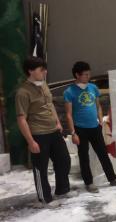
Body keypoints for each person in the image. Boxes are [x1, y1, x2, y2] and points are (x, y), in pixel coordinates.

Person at [16, 57, 74, 206]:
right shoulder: (23, 92)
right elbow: (21, 119)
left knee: (64, 160)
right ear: (30, 71)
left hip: (53, 130)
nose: (45, 72)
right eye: (41, 69)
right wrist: (30, 141)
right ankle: (44, 198)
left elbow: (50, 105)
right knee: (40, 168)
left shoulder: (43, 85)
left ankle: (62, 190)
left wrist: (57, 122)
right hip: (38, 134)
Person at [64, 61, 116, 193]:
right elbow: (68, 114)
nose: (88, 76)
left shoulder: (93, 88)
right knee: (83, 156)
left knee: (103, 153)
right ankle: (89, 182)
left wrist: (100, 120)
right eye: (85, 74)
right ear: (77, 75)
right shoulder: (69, 92)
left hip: (95, 127)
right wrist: (73, 132)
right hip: (80, 128)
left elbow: (98, 105)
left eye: (89, 74)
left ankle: (112, 178)